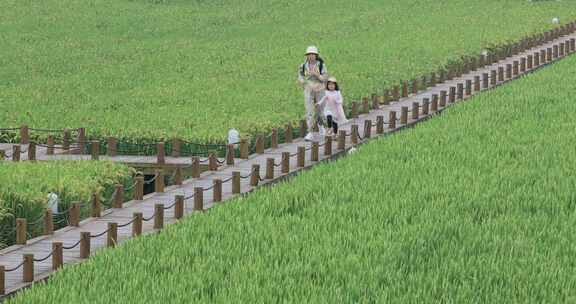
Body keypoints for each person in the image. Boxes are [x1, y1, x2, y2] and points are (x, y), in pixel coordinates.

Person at [298, 45, 328, 141]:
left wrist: (317, 75)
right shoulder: (303, 66)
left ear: (316, 55)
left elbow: (325, 78)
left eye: (313, 54)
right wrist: (304, 82)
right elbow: (300, 77)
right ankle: (310, 131)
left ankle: (322, 128)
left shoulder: (321, 65)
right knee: (309, 110)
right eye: (309, 54)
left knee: (321, 109)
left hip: (320, 88)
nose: (311, 56)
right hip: (309, 89)